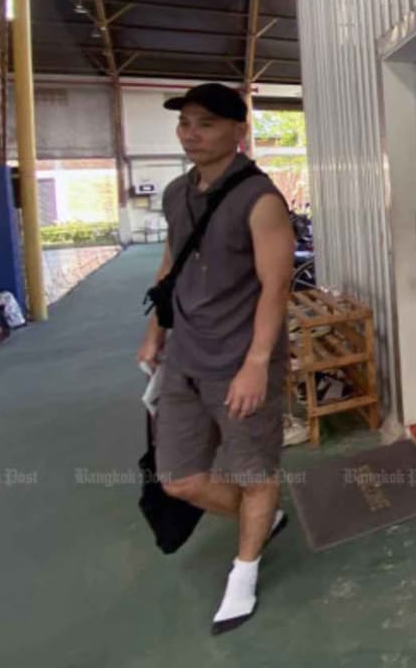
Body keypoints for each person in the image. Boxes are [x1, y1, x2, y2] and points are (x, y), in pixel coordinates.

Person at [136, 83, 295, 635]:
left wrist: (256, 364)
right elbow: (169, 267)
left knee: (255, 471)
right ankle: (265, 517)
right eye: (185, 123)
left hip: (240, 360)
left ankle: (243, 573)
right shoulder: (177, 193)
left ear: (238, 131)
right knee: (179, 479)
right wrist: (155, 333)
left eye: (205, 123)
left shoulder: (261, 200)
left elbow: (276, 286)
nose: (191, 133)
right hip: (184, 355)